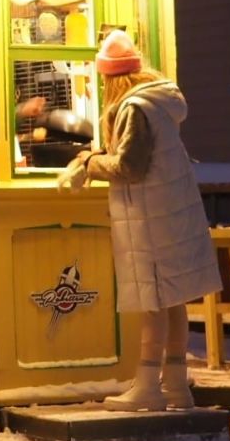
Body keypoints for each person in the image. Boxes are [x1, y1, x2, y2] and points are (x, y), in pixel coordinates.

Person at [62, 30, 220, 411]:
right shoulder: (159, 103)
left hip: (150, 216)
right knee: (174, 298)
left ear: (113, 77)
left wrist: (88, 163)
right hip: (171, 211)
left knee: (153, 300)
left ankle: (147, 384)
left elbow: (129, 166)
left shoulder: (134, 108)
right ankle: (177, 386)